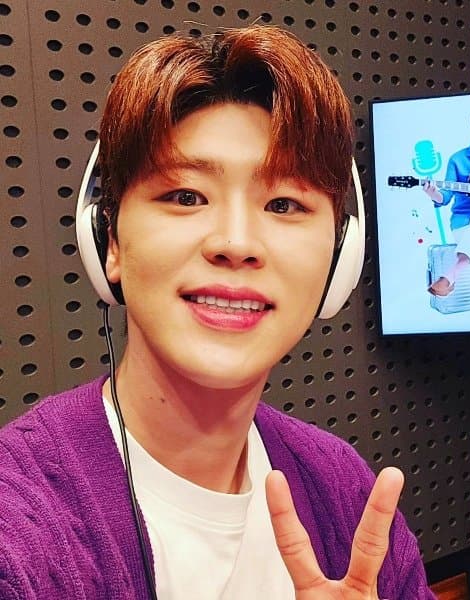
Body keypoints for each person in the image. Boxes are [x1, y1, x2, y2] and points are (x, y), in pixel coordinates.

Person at [0, 26, 434, 599]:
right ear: (109, 241)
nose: (235, 242)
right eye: (185, 196)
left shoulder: (345, 492)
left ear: (340, 258)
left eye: (284, 203)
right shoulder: (21, 527)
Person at [424, 109, 470, 319]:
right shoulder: (458, 159)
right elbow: (445, 196)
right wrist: (434, 193)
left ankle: (448, 278)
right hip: (464, 221)